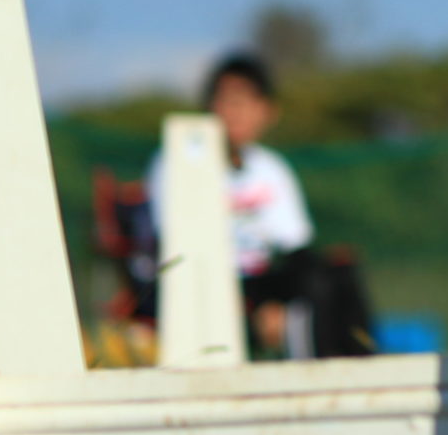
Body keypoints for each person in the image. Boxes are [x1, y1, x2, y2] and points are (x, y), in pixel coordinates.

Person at [148, 51, 373, 358]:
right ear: (209, 107)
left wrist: (276, 303)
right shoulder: (177, 163)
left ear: (267, 111)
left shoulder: (271, 168)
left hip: (262, 280)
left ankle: (356, 374)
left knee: (338, 273)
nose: (236, 112)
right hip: (204, 283)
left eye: (247, 101)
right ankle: (314, 377)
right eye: (228, 100)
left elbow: (296, 247)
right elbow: (174, 249)